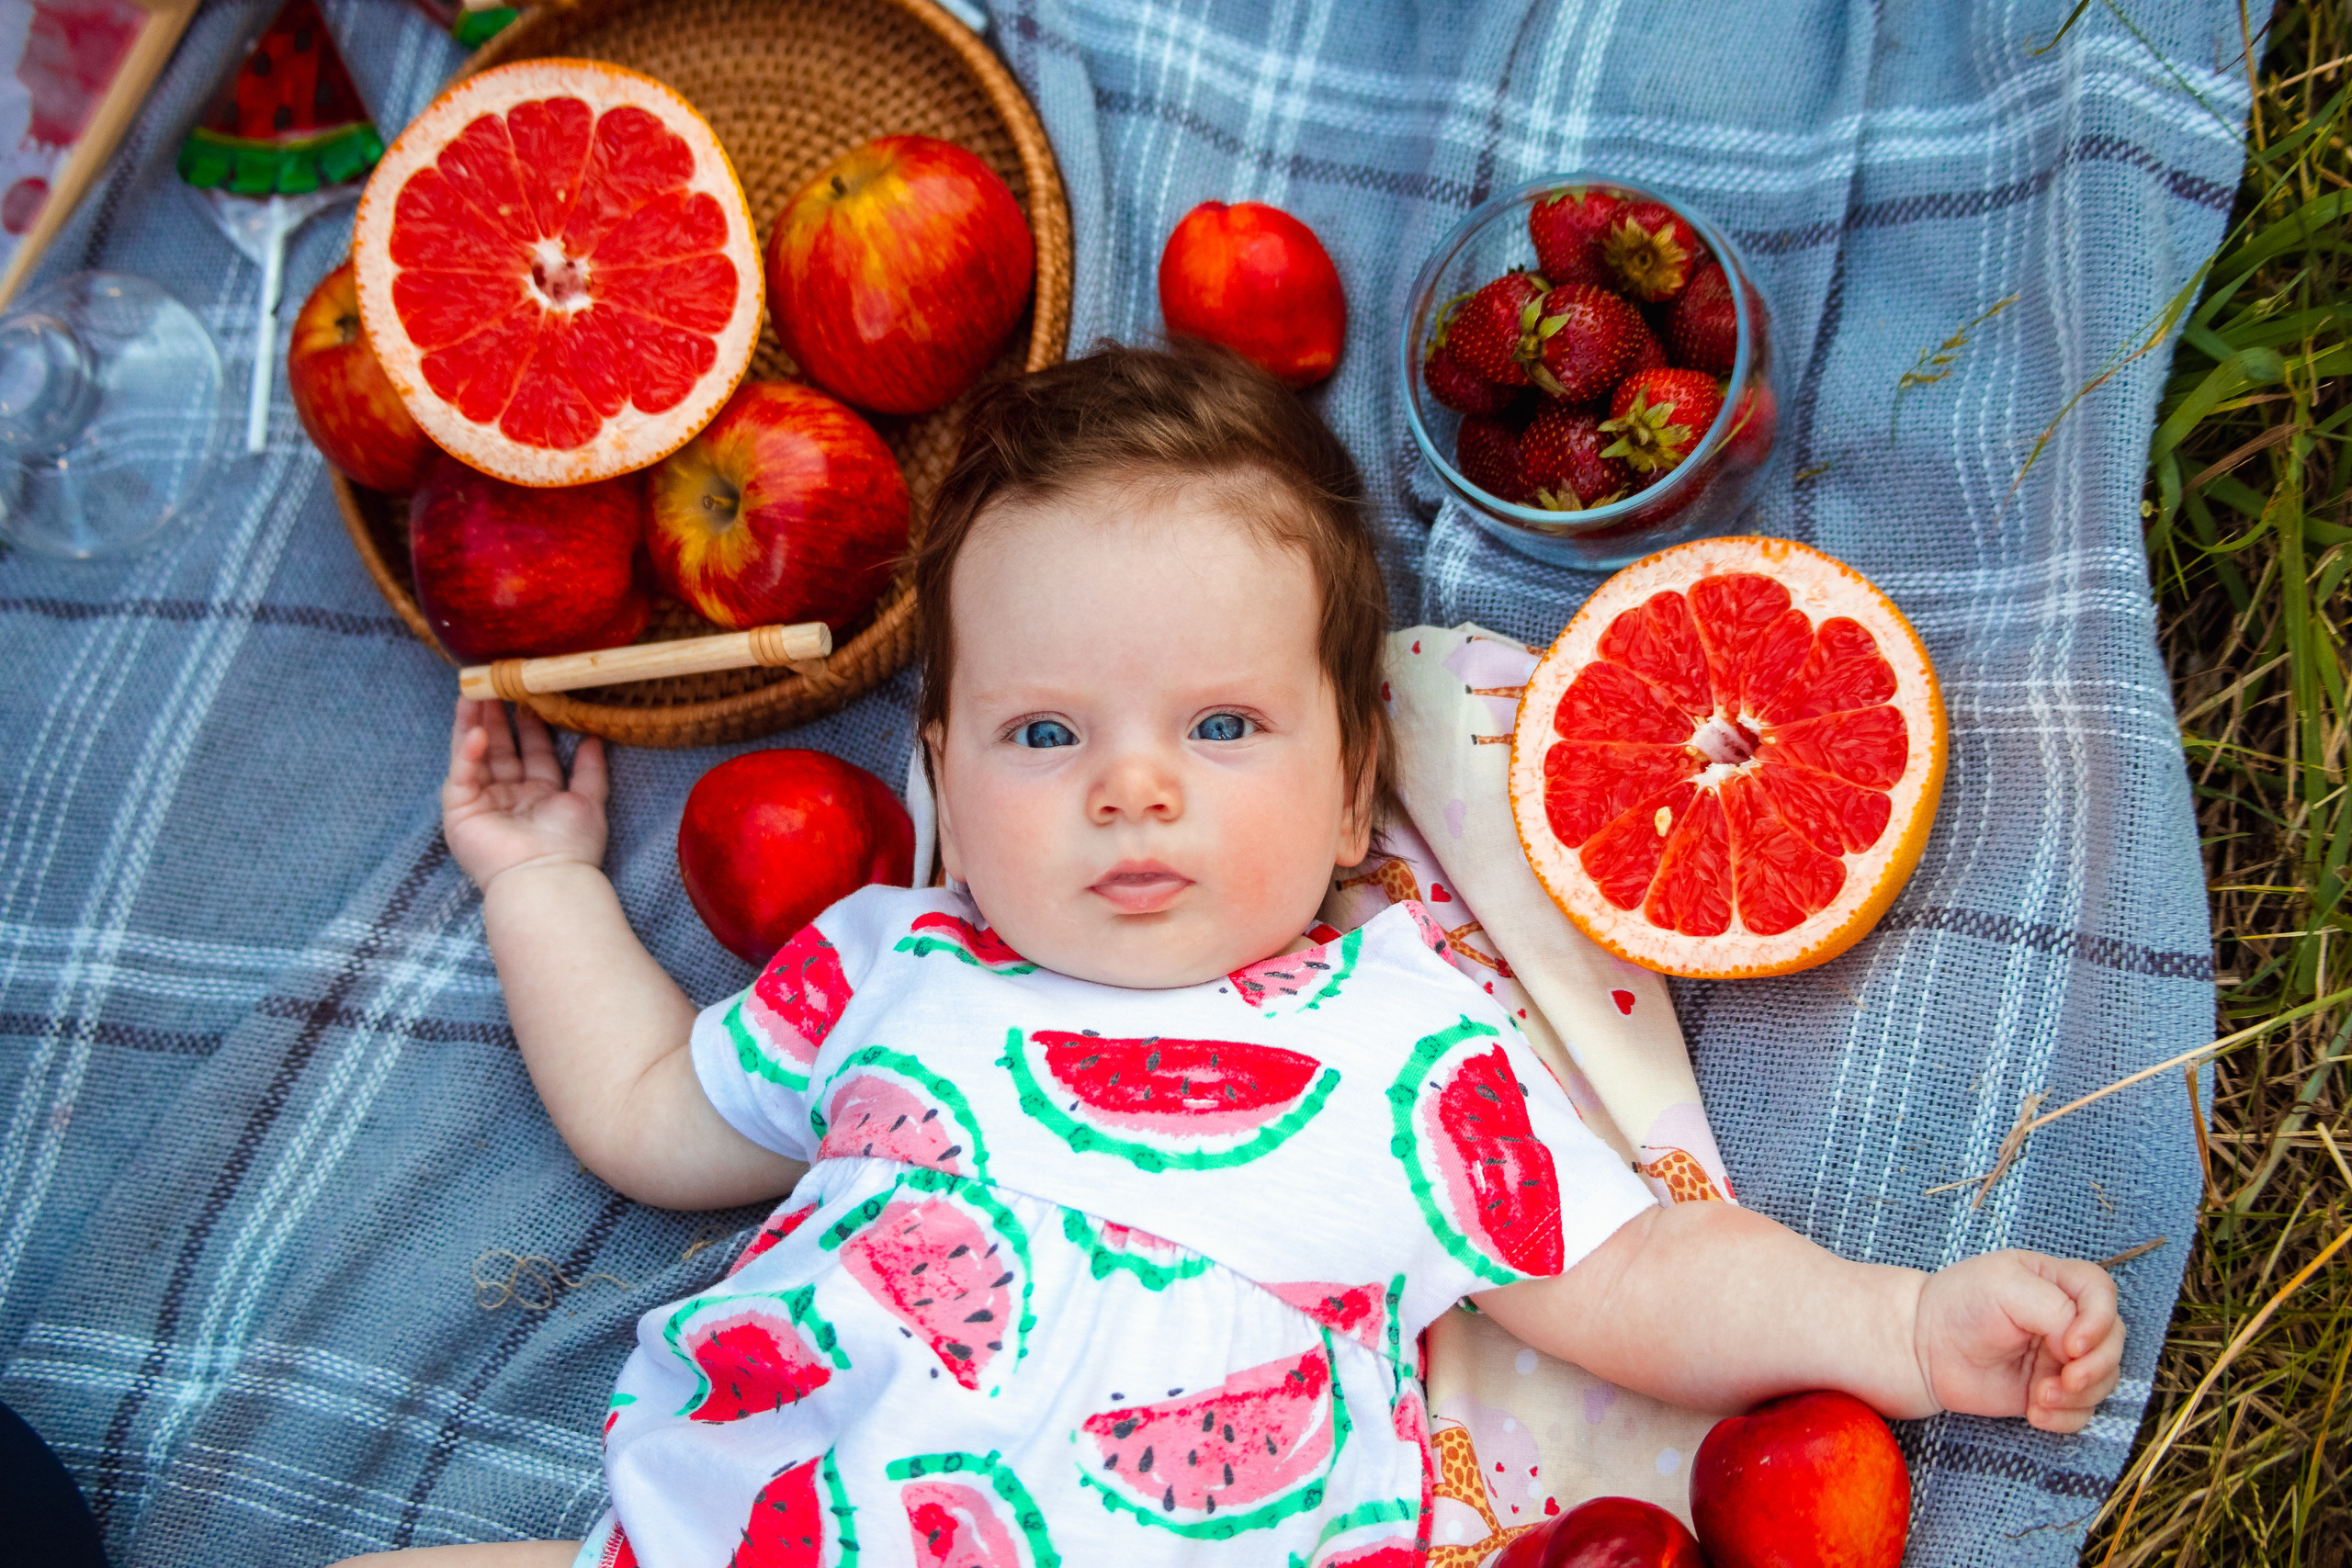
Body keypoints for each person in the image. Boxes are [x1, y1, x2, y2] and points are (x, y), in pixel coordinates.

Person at [346, 343, 2121, 1568]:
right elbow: (656, 1114)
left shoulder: (1409, 1038)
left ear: (1358, 786)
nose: (1129, 784)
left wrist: (1903, 1326)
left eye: (1219, 727)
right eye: (1044, 734)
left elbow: (1640, 1273)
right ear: (945, 774)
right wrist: (539, 882)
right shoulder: (891, 965)